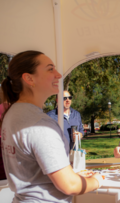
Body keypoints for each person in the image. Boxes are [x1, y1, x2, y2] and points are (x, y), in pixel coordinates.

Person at [1, 51, 103, 202]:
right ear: (29, 78)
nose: (58, 75)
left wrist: (72, 176)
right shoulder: (39, 124)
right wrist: (97, 180)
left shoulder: (13, 114)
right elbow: (70, 185)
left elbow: (36, 173)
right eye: (50, 69)